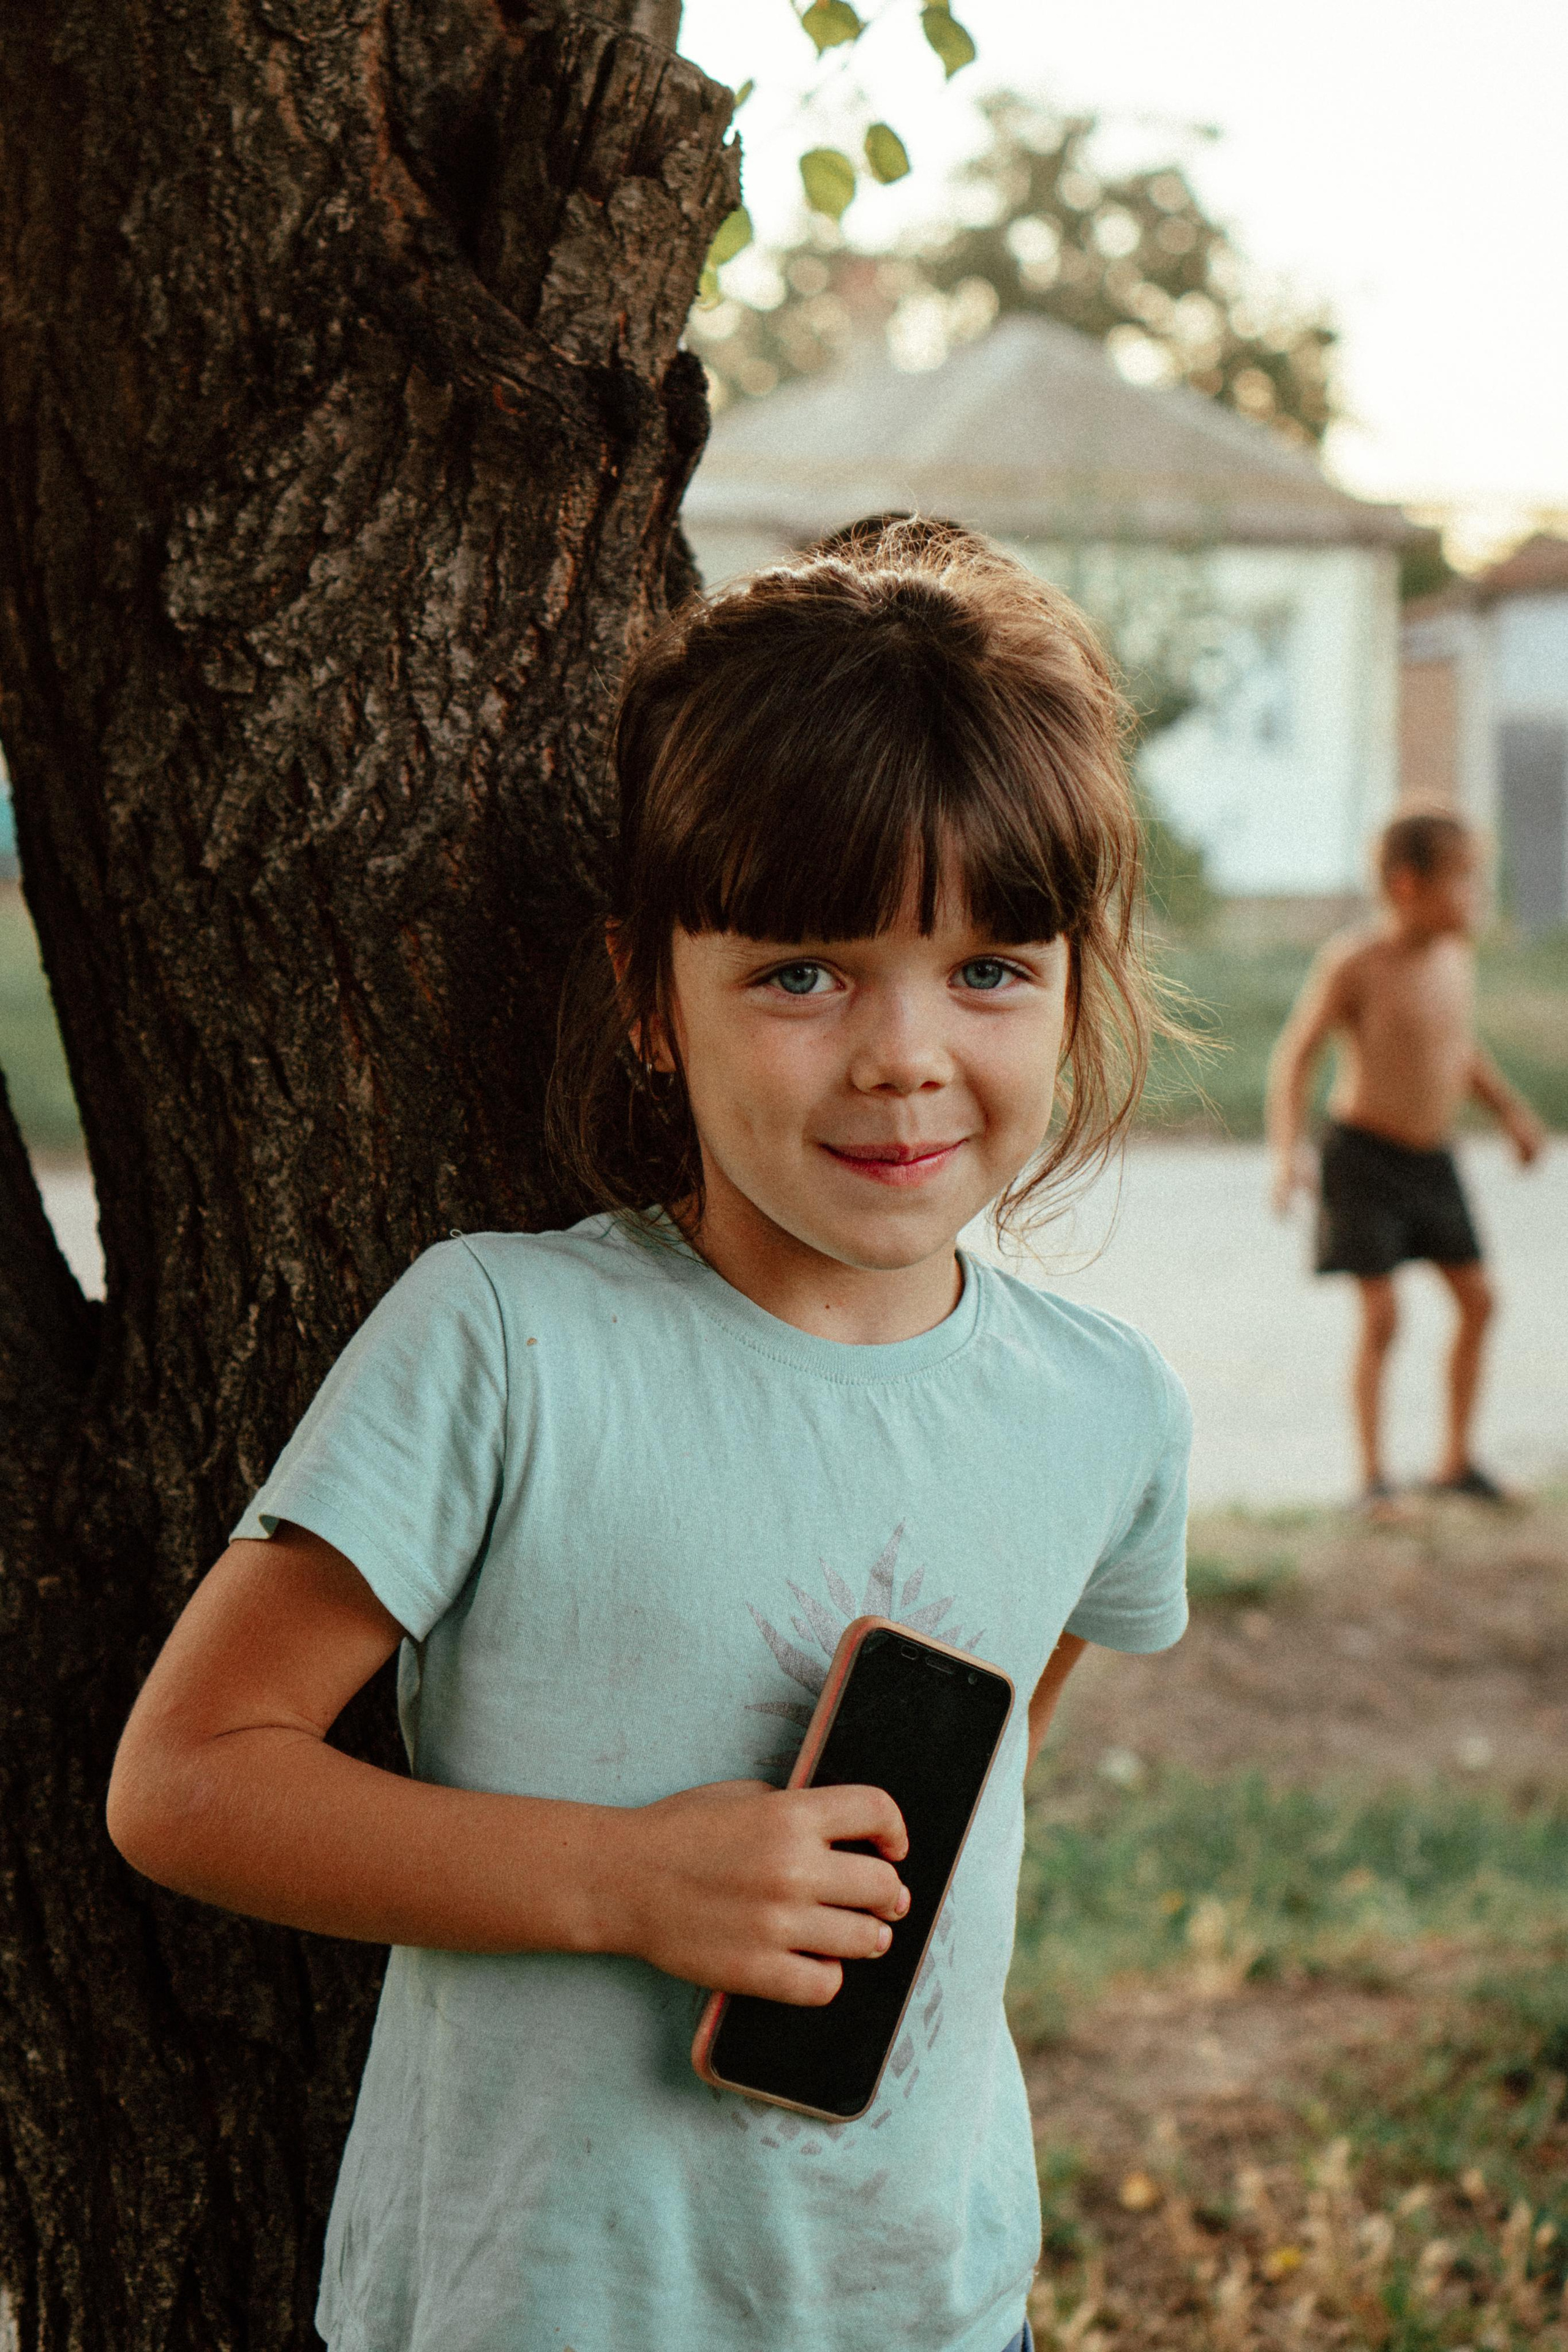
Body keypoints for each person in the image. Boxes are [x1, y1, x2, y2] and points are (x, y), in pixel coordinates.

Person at [105, 518, 1191, 2352]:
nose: (903, 1052)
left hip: (932, 2309)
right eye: (801, 971)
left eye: (989, 966)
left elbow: (981, 1780)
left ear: (1075, 979)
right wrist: (623, 1880)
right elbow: (187, 1778)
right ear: (645, 996)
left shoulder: (1109, 1412)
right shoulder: (506, 1340)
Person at [1266, 808, 1546, 1513]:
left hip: (1432, 1159)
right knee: (1383, 1316)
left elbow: (1459, 1049)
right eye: (1463, 881)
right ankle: (1373, 1482)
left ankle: (1454, 1463)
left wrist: (1511, 1112)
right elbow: (1296, 1057)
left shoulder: (1454, 958)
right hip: (1362, 1157)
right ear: (1405, 885)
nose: (1476, 897)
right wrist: (1286, 1153)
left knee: (1479, 1301)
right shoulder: (1355, 962)